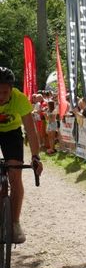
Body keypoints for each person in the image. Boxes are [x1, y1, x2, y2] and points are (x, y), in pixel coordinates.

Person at [0, 67, 43, 243]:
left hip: (12, 133)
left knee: (15, 176)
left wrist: (35, 156)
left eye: (5, 92)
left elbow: (31, 131)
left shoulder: (19, 99)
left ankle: (15, 223)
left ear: (11, 90)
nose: (1, 96)